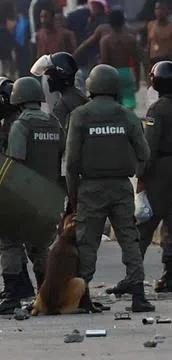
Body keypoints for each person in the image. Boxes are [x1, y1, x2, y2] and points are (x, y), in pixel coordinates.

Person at [64, 64, 154, 313]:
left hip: (90, 188)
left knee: (87, 243)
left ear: (91, 87)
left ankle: (82, 297)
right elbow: (144, 153)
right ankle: (138, 296)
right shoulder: (127, 116)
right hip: (121, 188)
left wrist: (73, 197)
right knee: (129, 239)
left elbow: (71, 162)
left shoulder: (80, 116)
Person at [0, 78, 65, 315]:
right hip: (48, 194)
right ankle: (46, 293)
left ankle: (13, 295)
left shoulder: (21, 125)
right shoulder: (53, 123)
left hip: (24, 193)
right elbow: (61, 152)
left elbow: (15, 164)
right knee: (40, 244)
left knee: (7, 240)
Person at [137, 60, 172, 293]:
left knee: (145, 225)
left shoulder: (156, 110)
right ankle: (169, 276)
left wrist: (140, 175)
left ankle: (134, 275)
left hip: (160, 171)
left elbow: (148, 146)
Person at [75, 10, 143, 110]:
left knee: (113, 105)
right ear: (123, 22)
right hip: (126, 72)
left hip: (111, 74)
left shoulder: (105, 40)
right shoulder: (131, 39)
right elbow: (137, 62)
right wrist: (137, 81)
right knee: (129, 106)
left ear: (109, 23)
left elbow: (105, 61)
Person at [32, 51, 86, 138]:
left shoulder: (61, 107)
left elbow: (59, 139)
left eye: (50, 75)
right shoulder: (82, 98)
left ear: (60, 75)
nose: (48, 79)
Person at [147, 0, 172, 65]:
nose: (159, 11)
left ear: (168, 11)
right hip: (153, 62)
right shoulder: (151, 25)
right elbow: (148, 45)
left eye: (162, 8)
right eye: (157, 8)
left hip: (167, 62)